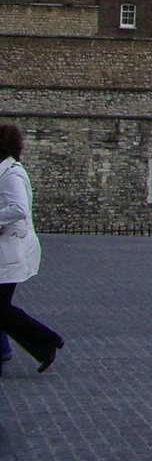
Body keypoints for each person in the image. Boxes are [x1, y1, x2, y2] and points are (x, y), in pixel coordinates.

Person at [0, 124, 64, 374]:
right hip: (7, 250)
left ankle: (47, 340)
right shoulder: (6, 171)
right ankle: (42, 345)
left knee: (2, 309)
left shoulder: (11, 174)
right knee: (2, 309)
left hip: (10, 252)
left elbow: (18, 207)